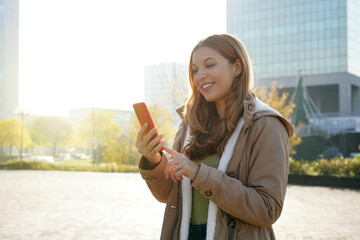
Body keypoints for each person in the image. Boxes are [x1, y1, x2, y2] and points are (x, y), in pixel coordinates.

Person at [135, 34, 293, 240]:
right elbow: (170, 196)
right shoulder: (189, 124)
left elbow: (267, 209)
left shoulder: (266, 124)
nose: (200, 75)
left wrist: (199, 175)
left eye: (209, 65)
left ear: (237, 67)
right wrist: (155, 161)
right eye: (194, 69)